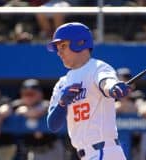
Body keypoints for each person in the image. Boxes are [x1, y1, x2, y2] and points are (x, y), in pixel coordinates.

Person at [46, 22, 131, 160]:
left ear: (80, 43)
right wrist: (62, 103)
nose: (59, 52)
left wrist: (113, 88)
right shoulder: (62, 83)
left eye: (63, 46)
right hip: (86, 155)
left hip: (104, 151)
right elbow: (53, 125)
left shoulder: (97, 67)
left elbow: (106, 81)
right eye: (57, 48)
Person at [9, 79, 64, 160]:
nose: (28, 97)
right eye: (26, 94)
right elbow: (3, 110)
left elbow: (37, 112)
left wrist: (24, 111)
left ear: (40, 94)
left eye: (32, 94)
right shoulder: (17, 104)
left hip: (51, 149)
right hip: (32, 151)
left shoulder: (45, 104)